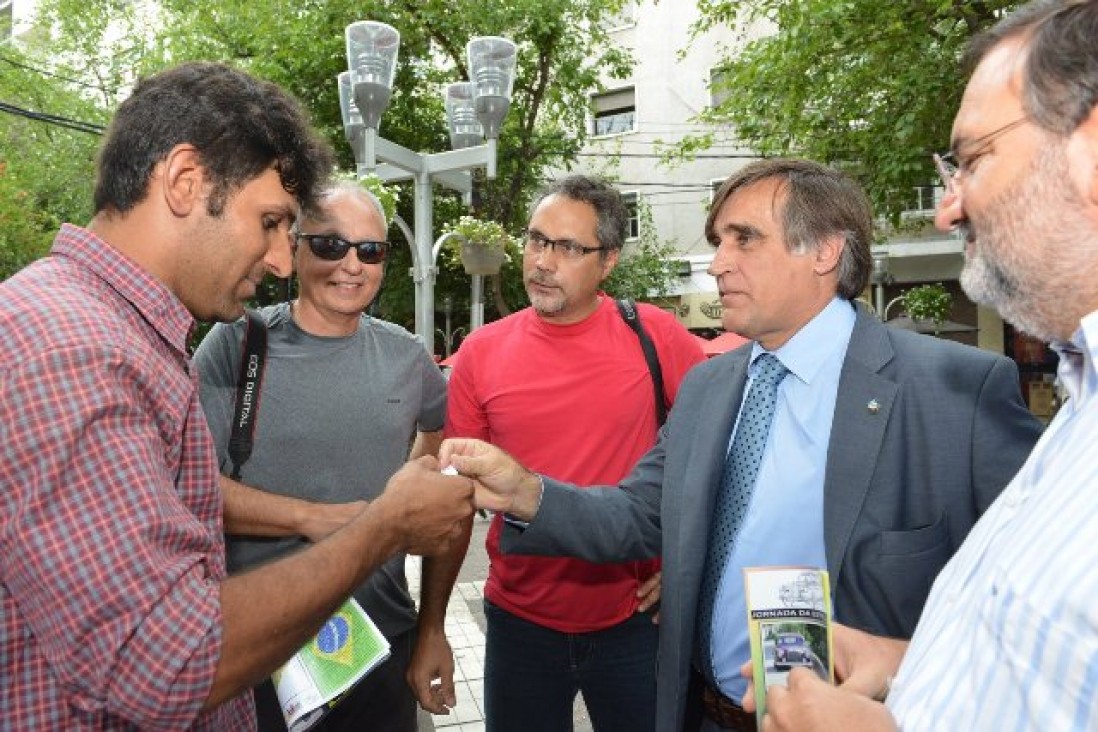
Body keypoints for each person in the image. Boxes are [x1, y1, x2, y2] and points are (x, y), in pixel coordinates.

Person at [440, 157, 1043, 732]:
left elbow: (1044, 611)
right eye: (718, 242)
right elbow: (639, 513)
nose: (718, 264)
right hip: (705, 712)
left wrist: (910, 668)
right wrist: (527, 492)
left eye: (744, 239)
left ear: (826, 251)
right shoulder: (710, 386)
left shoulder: (953, 393)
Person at [0, 62, 474, 729]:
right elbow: (170, 664)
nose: (283, 260)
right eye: (272, 222)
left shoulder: (120, 338)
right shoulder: (75, 355)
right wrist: (382, 525)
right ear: (187, 182)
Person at [744, 1, 1098, 730]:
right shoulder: (1080, 402)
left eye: (971, 161)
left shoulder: (963, 390)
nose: (947, 207)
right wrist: (903, 660)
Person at [194, 181, 468, 731]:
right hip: (262, 652)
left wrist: (433, 628)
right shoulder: (237, 345)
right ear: (295, 248)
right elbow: (191, 490)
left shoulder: (409, 359)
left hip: (381, 645)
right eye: (330, 246)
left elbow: (437, 482)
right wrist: (317, 519)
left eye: (370, 251)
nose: (351, 265)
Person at [445, 175, 705, 731]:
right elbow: (454, 496)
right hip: (518, 626)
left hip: (634, 624)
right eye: (537, 240)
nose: (542, 260)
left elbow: (728, 446)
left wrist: (691, 565)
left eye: (568, 248)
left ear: (608, 260)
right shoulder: (480, 352)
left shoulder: (655, 336)